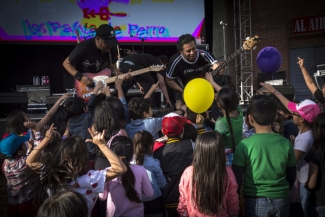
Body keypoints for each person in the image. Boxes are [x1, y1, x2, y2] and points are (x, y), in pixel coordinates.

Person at [25, 125, 127, 217]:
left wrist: (46, 139)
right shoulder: (90, 179)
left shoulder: (50, 172)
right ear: (84, 159)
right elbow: (120, 168)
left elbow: (30, 161)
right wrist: (102, 145)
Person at [260, 82, 321, 214]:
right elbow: (289, 105)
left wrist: (278, 140)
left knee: (302, 211)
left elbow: (291, 161)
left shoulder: (305, 139)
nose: (291, 113)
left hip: (304, 184)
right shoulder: (306, 132)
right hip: (301, 181)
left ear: (303, 119)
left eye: (294, 113)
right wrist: (274, 91)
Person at [232, 95, 297, 217]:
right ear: (274, 118)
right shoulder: (286, 143)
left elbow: (237, 178)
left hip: (254, 200)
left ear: (250, 119)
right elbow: (291, 175)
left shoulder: (244, 145)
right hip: (282, 198)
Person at [177, 131, 239, 217]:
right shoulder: (227, 172)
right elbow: (232, 199)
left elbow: (183, 198)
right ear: (220, 151)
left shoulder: (189, 172)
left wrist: (183, 213)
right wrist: (234, 213)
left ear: (198, 151)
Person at [100, 135, 154, 217]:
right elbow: (149, 194)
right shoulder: (141, 169)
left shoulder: (108, 172)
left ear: (111, 155)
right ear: (132, 155)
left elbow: (102, 197)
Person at [153, 113, 194, 217]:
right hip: (187, 197)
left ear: (162, 131)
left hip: (166, 199)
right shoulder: (190, 145)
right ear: (182, 129)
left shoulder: (157, 151)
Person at [63, 24, 129, 86]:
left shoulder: (112, 48)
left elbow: (114, 69)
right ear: (97, 39)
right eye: (106, 43)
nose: (109, 46)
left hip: (102, 83)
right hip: (85, 84)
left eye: (111, 43)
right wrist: (80, 77)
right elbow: (66, 63)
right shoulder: (84, 47)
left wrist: (123, 76)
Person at [165, 33, 221, 100]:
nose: (192, 53)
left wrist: (218, 67)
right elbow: (169, 80)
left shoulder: (203, 53)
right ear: (181, 51)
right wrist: (183, 91)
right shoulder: (175, 60)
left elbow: (215, 64)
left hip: (204, 86)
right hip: (184, 89)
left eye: (193, 48)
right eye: (188, 51)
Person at [206, 72, 243, 167]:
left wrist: (216, 124)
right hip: (240, 153)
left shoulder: (221, 123)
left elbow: (216, 144)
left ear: (218, 104)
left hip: (226, 158)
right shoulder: (239, 112)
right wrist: (212, 82)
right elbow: (228, 96)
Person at [0, 133, 38, 217]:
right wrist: (32, 148)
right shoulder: (22, 164)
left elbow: (26, 157)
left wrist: (29, 149)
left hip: (12, 205)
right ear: (19, 151)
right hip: (27, 205)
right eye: (23, 144)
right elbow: (30, 159)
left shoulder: (5, 163)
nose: (25, 145)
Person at [132, 130, 167, 217]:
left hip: (135, 203)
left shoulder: (130, 162)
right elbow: (162, 183)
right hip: (154, 204)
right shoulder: (153, 162)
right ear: (151, 145)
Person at [304, 112, 325, 216]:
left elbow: (312, 184)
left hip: (319, 202)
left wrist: (306, 186)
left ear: (319, 129)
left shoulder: (316, 151)